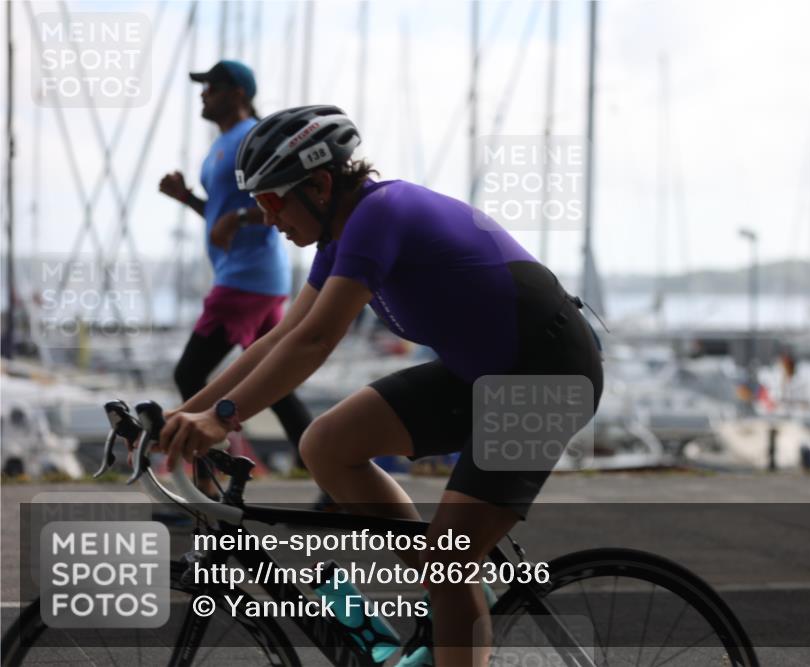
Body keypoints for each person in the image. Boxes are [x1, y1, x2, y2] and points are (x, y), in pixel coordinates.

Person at [158, 105, 603, 667]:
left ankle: (452, 590)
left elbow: (316, 341)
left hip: (546, 374)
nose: (267, 219)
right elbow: (279, 339)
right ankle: (454, 598)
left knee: (448, 564)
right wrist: (180, 416)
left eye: (272, 200)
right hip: (484, 373)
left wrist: (222, 417)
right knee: (325, 445)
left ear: (319, 185)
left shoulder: (379, 214)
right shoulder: (337, 239)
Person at [158, 61, 312, 495]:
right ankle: (330, 479)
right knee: (277, 386)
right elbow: (218, 217)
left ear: (239, 94)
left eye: (212, 86)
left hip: (248, 279)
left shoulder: (254, 136)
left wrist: (242, 217)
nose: (203, 93)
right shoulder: (221, 145)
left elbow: (286, 198)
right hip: (252, 278)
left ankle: (204, 490)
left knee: (190, 374)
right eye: (202, 85)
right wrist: (187, 197)